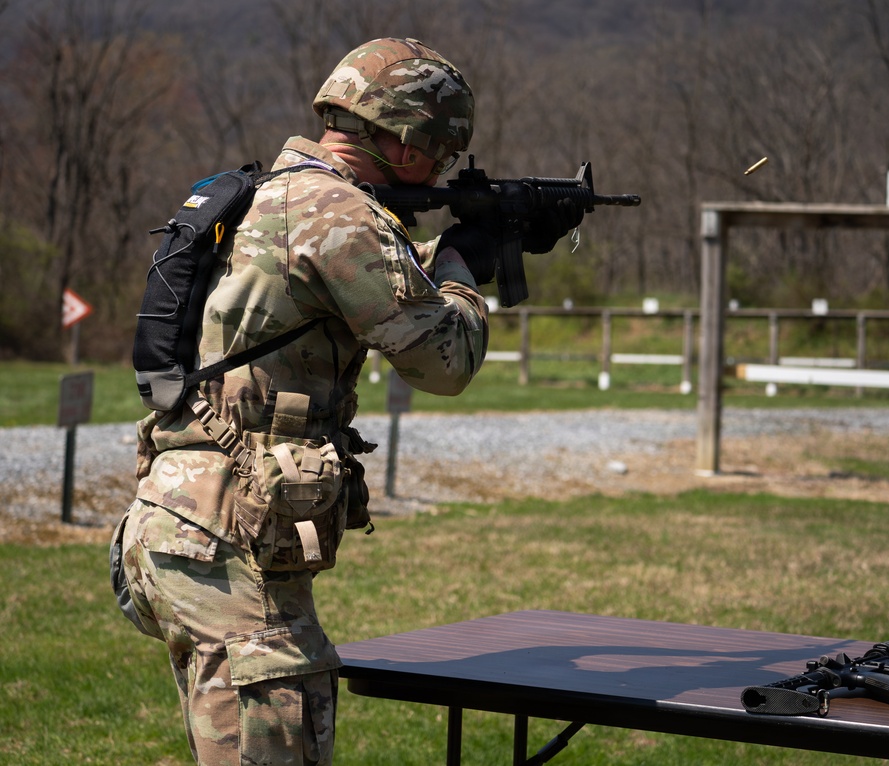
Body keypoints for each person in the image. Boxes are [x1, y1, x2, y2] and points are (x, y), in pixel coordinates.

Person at [112, 38, 580, 765]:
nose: (442, 169)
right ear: (408, 140)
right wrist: (461, 267)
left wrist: (464, 248)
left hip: (186, 519)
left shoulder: (277, 191)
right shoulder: (337, 211)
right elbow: (444, 359)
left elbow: (343, 289)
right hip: (229, 537)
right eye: (442, 153)